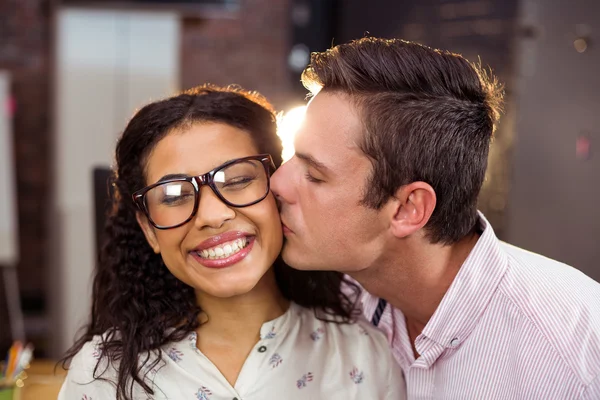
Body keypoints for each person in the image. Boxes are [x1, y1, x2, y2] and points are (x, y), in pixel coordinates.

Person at [271, 37, 600, 399]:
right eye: (291, 157)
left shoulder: (573, 358)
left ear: (409, 208)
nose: (277, 183)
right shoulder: (326, 296)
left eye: (315, 176)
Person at [58, 85, 406, 400]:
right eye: (174, 195)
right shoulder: (102, 375)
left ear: (278, 189)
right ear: (149, 230)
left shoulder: (364, 358)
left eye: (237, 179)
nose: (211, 215)